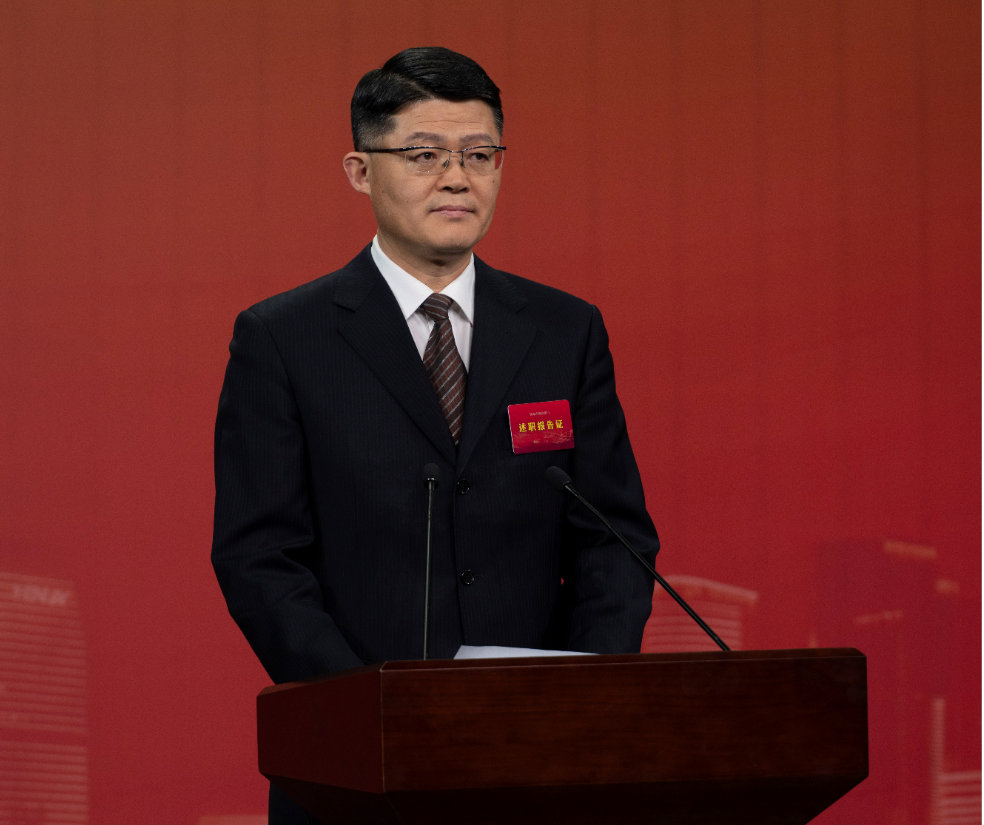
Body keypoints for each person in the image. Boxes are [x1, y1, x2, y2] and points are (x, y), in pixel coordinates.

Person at [211, 46, 659, 825]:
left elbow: (614, 539)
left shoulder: (565, 330)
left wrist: (579, 695)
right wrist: (370, 709)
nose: (457, 178)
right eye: (425, 155)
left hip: (537, 762)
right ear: (360, 171)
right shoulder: (283, 338)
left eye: (479, 155)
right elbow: (259, 558)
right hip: (355, 768)